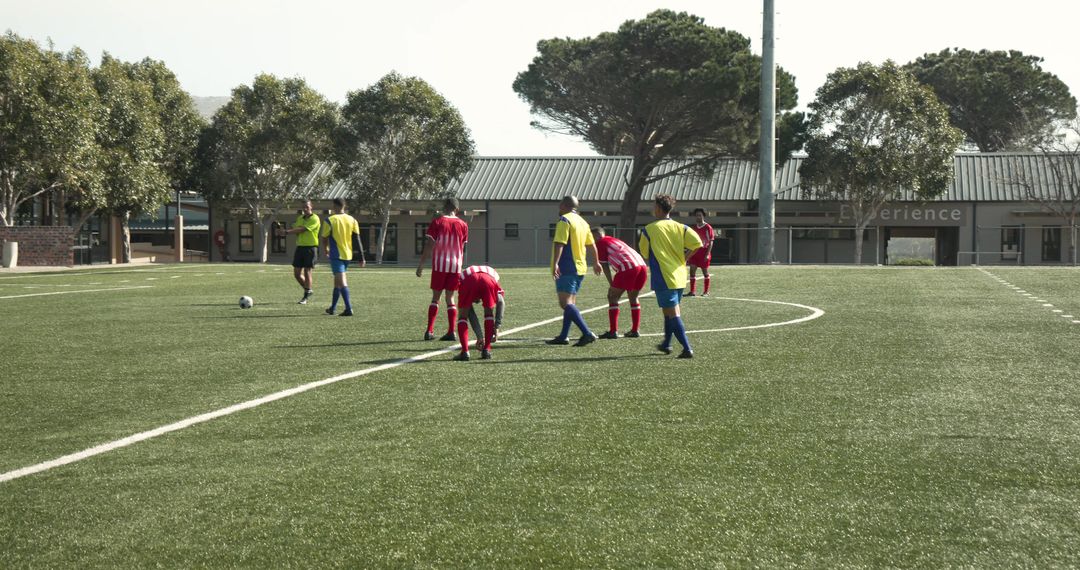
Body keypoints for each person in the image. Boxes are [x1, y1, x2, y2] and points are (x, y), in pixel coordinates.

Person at [639, 194, 703, 358]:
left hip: (663, 276)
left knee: (673, 314)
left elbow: (645, 253)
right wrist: (685, 257)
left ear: (659, 208)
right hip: (680, 276)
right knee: (668, 313)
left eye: (654, 206)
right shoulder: (681, 227)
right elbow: (698, 243)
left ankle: (687, 348)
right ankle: (667, 344)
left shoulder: (649, 229)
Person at [547, 195, 602, 347]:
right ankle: (564, 336)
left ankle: (586, 333)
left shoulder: (565, 220)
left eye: (560, 206)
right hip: (580, 267)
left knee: (565, 303)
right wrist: (596, 262)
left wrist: (556, 263)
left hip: (567, 266)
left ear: (564, 206)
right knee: (570, 303)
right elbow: (591, 245)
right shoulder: (583, 222)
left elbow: (560, 243)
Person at [417, 198, 469, 341]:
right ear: (457, 209)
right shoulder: (463, 224)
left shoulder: (438, 222)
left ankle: (429, 331)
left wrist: (421, 264)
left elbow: (429, 245)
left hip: (440, 265)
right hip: (455, 266)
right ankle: (452, 331)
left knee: (435, 298)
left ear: (444, 208)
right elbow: (462, 247)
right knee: (450, 298)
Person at [591, 226, 646, 339]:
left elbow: (604, 265)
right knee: (633, 297)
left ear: (596, 235)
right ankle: (635, 330)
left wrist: (611, 283)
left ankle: (613, 331)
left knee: (612, 296)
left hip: (628, 267)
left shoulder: (600, 242)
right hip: (642, 265)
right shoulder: (612, 239)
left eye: (591, 236)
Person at [320, 198, 364, 316]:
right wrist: (361, 257)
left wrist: (326, 250)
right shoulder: (352, 220)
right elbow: (357, 239)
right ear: (344, 206)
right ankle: (332, 308)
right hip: (347, 256)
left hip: (336, 256)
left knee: (342, 281)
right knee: (337, 282)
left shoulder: (330, 220)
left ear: (334, 206)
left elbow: (324, 238)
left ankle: (348, 309)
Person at [453, 265, 503, 361]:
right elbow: (501, 302)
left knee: (462, 316)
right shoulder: (494, 277)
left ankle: (465, 351)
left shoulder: (463, 279)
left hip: (469, 279)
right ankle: (487, 350)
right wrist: (496, 326)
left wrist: (495, 327)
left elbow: (468, 313)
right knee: (489, 313)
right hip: (488, 280)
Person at [277, 199, 321, 304]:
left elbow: (302, 229)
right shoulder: (300, 218)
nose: (305, 209)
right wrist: (283, 231)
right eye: (303, 207)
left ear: (311, 207)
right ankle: (308, 289)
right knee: (297, 273)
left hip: (310, 248)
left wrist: (287, 232)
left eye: (307, 206)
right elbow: (297, 230)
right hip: (300, 247)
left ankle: (305, 296)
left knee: (307, 271)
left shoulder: (315, 218)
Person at [686, 208, 716, 296]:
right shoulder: (694, 228)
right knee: (692, 271)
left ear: (703, 216)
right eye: (696, 215)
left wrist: (707, 254)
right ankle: (692, 291)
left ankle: (706, 291)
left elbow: (711, 241)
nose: (698, 217)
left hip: (704, 252)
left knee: (705, 272)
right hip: (695, 252)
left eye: (700, 215)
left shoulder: (708, 227)